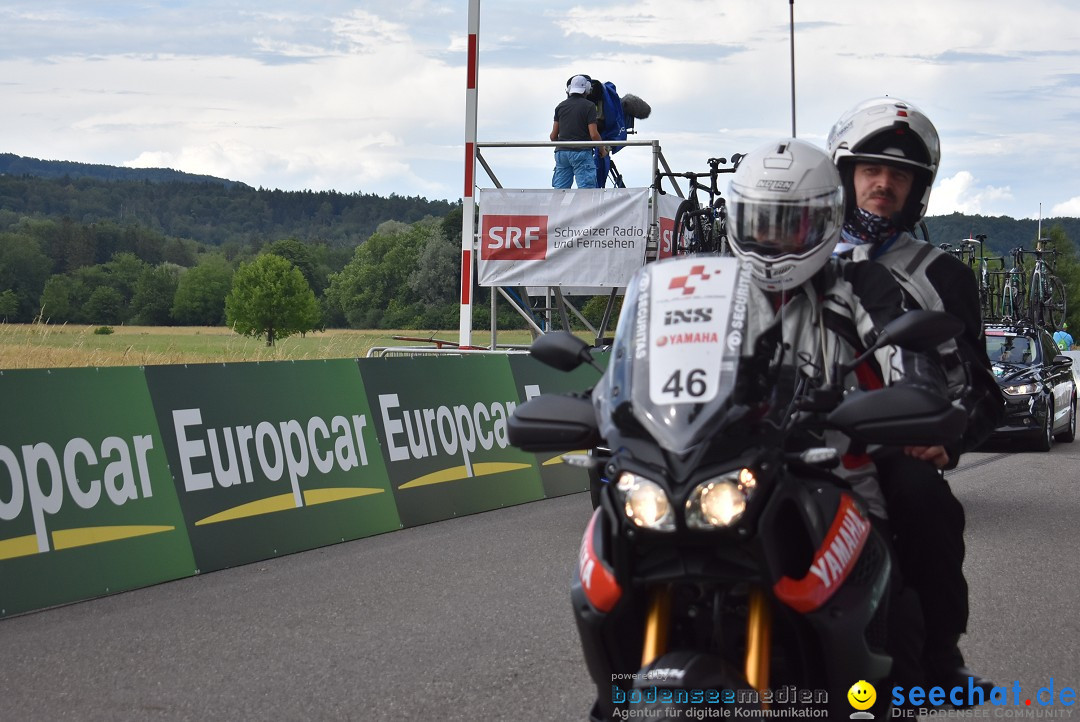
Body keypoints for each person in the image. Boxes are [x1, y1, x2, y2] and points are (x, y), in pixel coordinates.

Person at [827, 97, 1003, 697]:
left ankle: (937, 659)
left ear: (917, 189)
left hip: (888, 446)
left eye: (898, 175)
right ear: (845, 176)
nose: (882, 184)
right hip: (787, 437)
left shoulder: (943, 275)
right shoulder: (789, 258)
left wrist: (945, 438)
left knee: (924, 502)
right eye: (871, 170)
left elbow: (979, 387)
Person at [550, 75, 606, 189]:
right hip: (581, 153)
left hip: (562, 153)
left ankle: (554, 208)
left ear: (570, 89)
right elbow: (594, 134)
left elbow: (553, 136)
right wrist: (602, 149)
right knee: (586, 190)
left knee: (559, 190)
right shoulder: (589, 106)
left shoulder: (560, 106)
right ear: (587, 89)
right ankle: (584, 208)